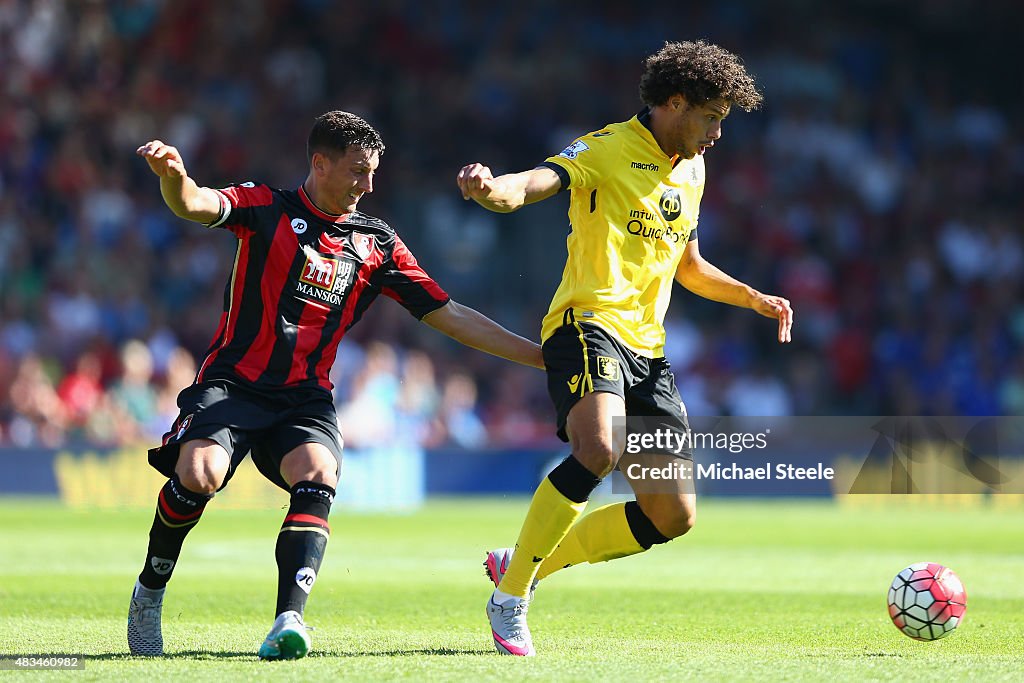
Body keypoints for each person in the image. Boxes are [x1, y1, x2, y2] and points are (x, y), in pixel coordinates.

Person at [129, 111, 543, 660]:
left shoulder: (377, 244)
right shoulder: (264, 207)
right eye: (356, 171)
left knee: (319, 472)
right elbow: (197, 203)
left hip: (305, 397)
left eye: (373, 172)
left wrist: (541, 358)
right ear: (319, 163)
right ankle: (149, 593)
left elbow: (450, 315)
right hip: (233, 384)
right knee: (199, 474)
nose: (367, 185)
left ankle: (287, 621)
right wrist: (173, 177)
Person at [456, 40, 794, 656]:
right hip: (587, 325)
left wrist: (753, 297)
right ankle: (510, 600)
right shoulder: (607, 148)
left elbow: (686, 265)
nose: (718, 133)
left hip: (648, 351)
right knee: (600, 447)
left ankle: (526, 566)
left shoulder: (691, 169)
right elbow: (536, 182)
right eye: (713, 116)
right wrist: (491, 190)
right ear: (674, 102)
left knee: (673, 516)